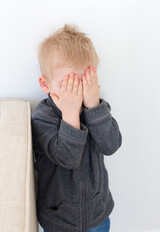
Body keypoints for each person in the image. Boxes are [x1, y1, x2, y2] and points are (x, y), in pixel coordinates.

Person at [31, 24, 122, 232]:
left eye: (84, 81)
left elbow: (111, 145)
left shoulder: (97, 108)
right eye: (70, 83)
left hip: (98, 215)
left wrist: (94, 108)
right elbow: (68, 158)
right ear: (45, 85)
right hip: (59, 220)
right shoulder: (43, 118)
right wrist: (70, 114)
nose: (79, 90)